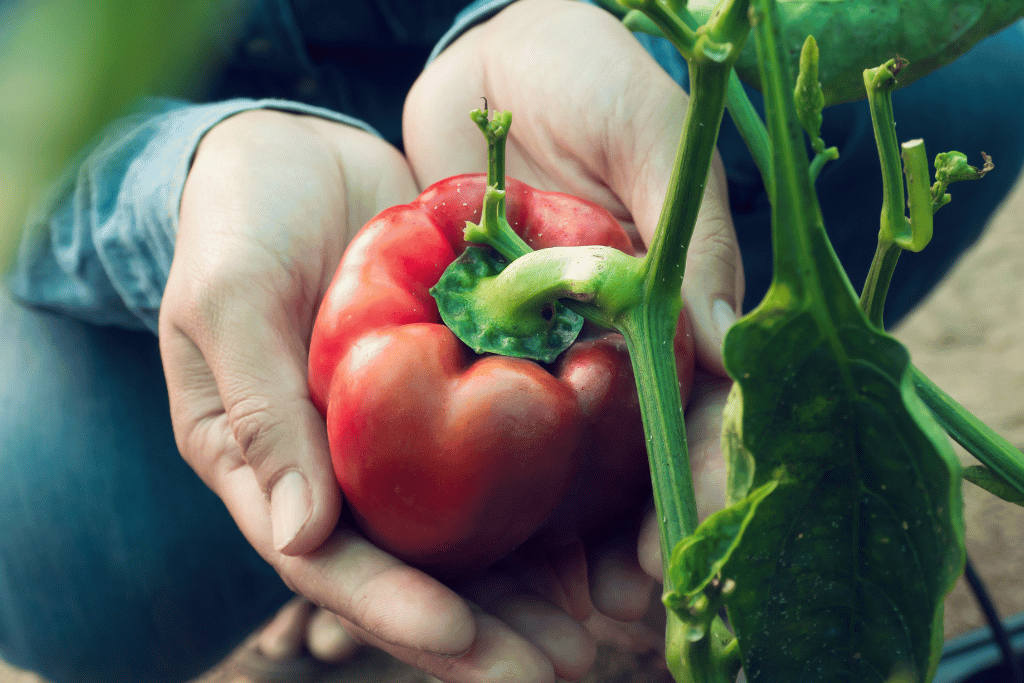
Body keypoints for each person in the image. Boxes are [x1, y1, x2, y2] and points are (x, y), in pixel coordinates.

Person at [1, 1, 1022, 682]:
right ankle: (287, 549)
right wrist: (184, 175)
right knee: (46, 545)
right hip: (174, 160)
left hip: (518, 124)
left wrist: (549, 20)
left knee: (986, 64)